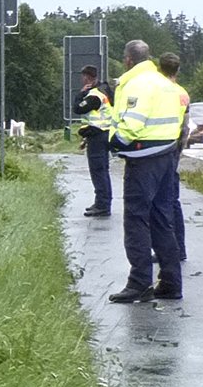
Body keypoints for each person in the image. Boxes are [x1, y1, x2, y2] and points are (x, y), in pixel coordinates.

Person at [108, 40, 186, 303]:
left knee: (136, 220)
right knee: (162, 220)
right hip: (166, 156)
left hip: (143, 160)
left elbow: (133, 123)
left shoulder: (138, 84)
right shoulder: (165, 82)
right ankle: (171, 282)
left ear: (128, 59)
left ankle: (140, 282)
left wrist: (115, 142)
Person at [157, 52, 191, 262]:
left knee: (159, 202)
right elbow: (186, 127)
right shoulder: (183, 94)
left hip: (158, 148)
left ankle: (165, 249)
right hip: (174, 148)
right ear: (178, 70)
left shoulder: (158, 91)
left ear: (160, 68)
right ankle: (179, 247)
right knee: (173, 200)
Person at [74, 64, 116, 216]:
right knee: (102, 170)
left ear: (87, 77)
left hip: (98, 136)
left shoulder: (94, 96)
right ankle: (101, 202)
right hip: (104, 134)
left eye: (83, 76)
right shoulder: (104, 91)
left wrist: (80, 94)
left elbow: (78, 108)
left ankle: (103, 205)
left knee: (98, 171)